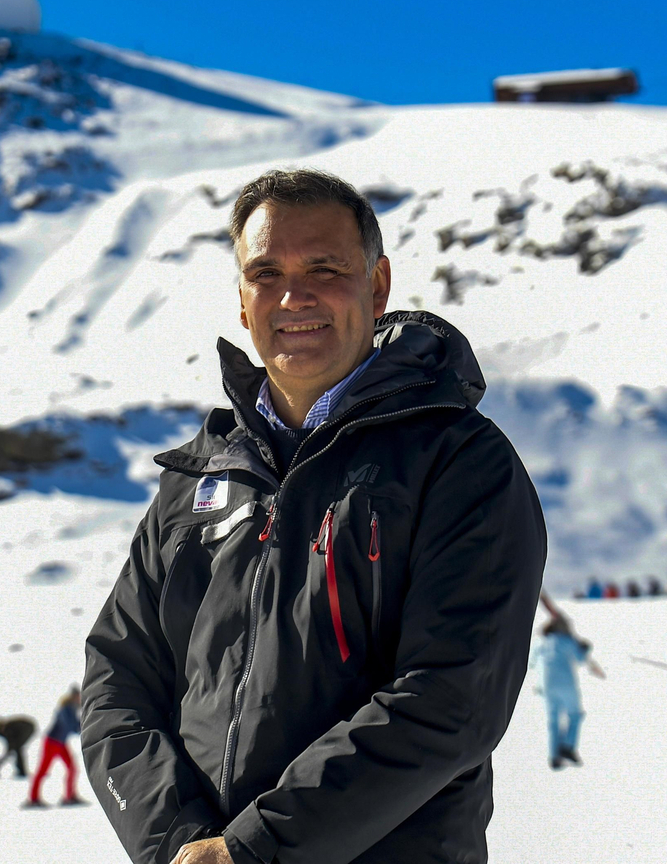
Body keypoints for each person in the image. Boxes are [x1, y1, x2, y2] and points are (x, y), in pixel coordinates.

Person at [82, 169, 546, 864]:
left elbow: (451, 697)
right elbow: (117, 679)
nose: (293, 296)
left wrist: (256, 850)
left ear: (378, 283)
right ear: (242, 301)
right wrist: (180, 843)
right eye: (265, 272)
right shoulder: (199, 480)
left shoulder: (458, 461)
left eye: (324, 268)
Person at [530, 609, 603, 768]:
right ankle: (568, 746)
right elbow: (581, 658)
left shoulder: (542, 642)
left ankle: (554, 756)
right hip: (566, 683)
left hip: (547, 685)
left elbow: (532, 662)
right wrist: (584, 647)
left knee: (554, 720)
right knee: (575, 714)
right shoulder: (567, 641)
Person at [27, 687, 82, 806]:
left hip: (61, 743)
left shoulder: (71, 709)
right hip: (51, 742)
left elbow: (75, 724)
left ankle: (69, 796)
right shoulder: (65, 709)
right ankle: (33, 799)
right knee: (42, 771)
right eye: (78, 696)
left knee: (72, 769)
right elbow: (70, 725)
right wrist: (82, 729)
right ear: (74, 697)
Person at [0, 714, 36, 779]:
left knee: (16, 749)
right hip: (27, 728)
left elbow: (11, 747)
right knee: (15, 749)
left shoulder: (7, 729)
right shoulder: (6, 728)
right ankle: (21, 771)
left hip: (27, 728)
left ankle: (21, 772)